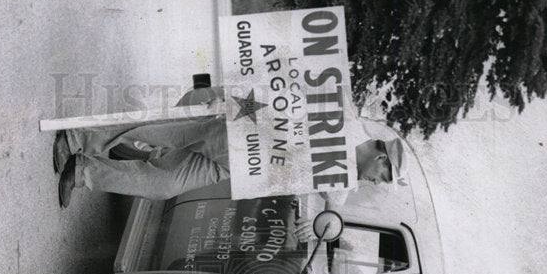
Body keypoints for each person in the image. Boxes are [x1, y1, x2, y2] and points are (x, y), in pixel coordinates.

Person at [52, 99, 408, 208]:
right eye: (383, 176)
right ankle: (76, 137)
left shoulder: (345, 178)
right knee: (153, 129)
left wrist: (319, 218)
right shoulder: (344, 118)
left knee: (162, 185)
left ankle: (83, 171)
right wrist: (236, 100)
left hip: (241, 170)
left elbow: (333, 208)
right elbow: (283, 90)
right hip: (236, 134)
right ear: (381, 158)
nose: (376, 182)